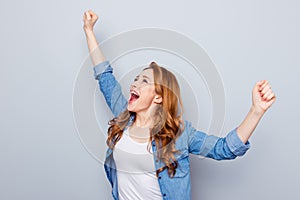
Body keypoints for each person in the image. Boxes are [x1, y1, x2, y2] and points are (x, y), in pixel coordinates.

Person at [82, 10, 276, 200]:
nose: (134, 84)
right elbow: (104, 76)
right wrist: (89, 31)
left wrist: (256, 111)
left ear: (158, 97)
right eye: (136, 79)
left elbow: (224, 148)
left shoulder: (179, 134)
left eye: (144, 81)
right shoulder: (124, 117)